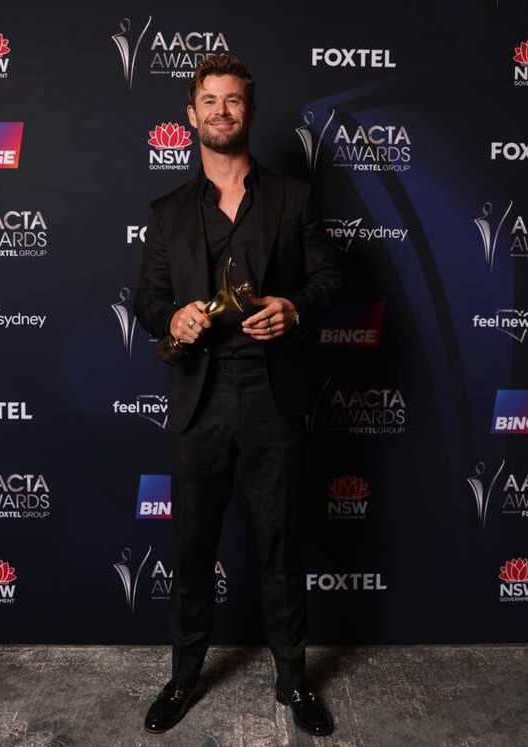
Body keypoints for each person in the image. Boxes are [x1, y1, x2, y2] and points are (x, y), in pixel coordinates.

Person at [133, 54, 341, 737]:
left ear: (248, 111)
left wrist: (294, 308)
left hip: (272, 397)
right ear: (190, 115)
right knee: (192, 548)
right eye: (209, 100)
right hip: (201, 399)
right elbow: (147, 298)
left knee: (280, 546)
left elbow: (329, 278)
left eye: (233, 100)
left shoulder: (293, 198)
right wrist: (171, 319)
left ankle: (293, 680)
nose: (221, 111)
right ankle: (183, 677)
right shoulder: (167, 213)